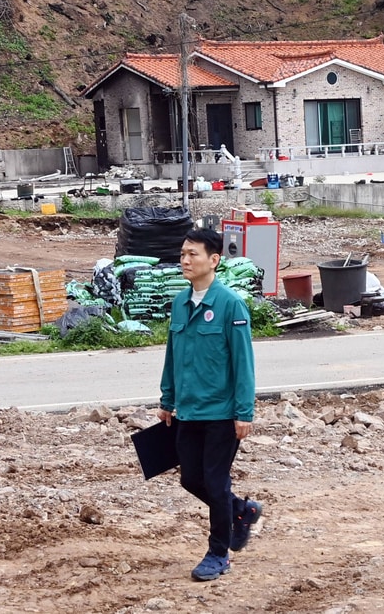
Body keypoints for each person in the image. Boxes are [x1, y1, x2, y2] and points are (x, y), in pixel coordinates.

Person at [157, 228, 261, 582]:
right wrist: (167, 399)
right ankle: (240, 510)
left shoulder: (231, 304)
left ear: (213, 260)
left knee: (215, 482)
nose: (185, 260)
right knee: (190, 478)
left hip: (221, 412)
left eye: (193, 254)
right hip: (188, 410)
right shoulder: (179, 303)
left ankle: (219, 553)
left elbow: (243, 363)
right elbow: (173, 355)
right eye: (182, 254)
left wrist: (244, 412)